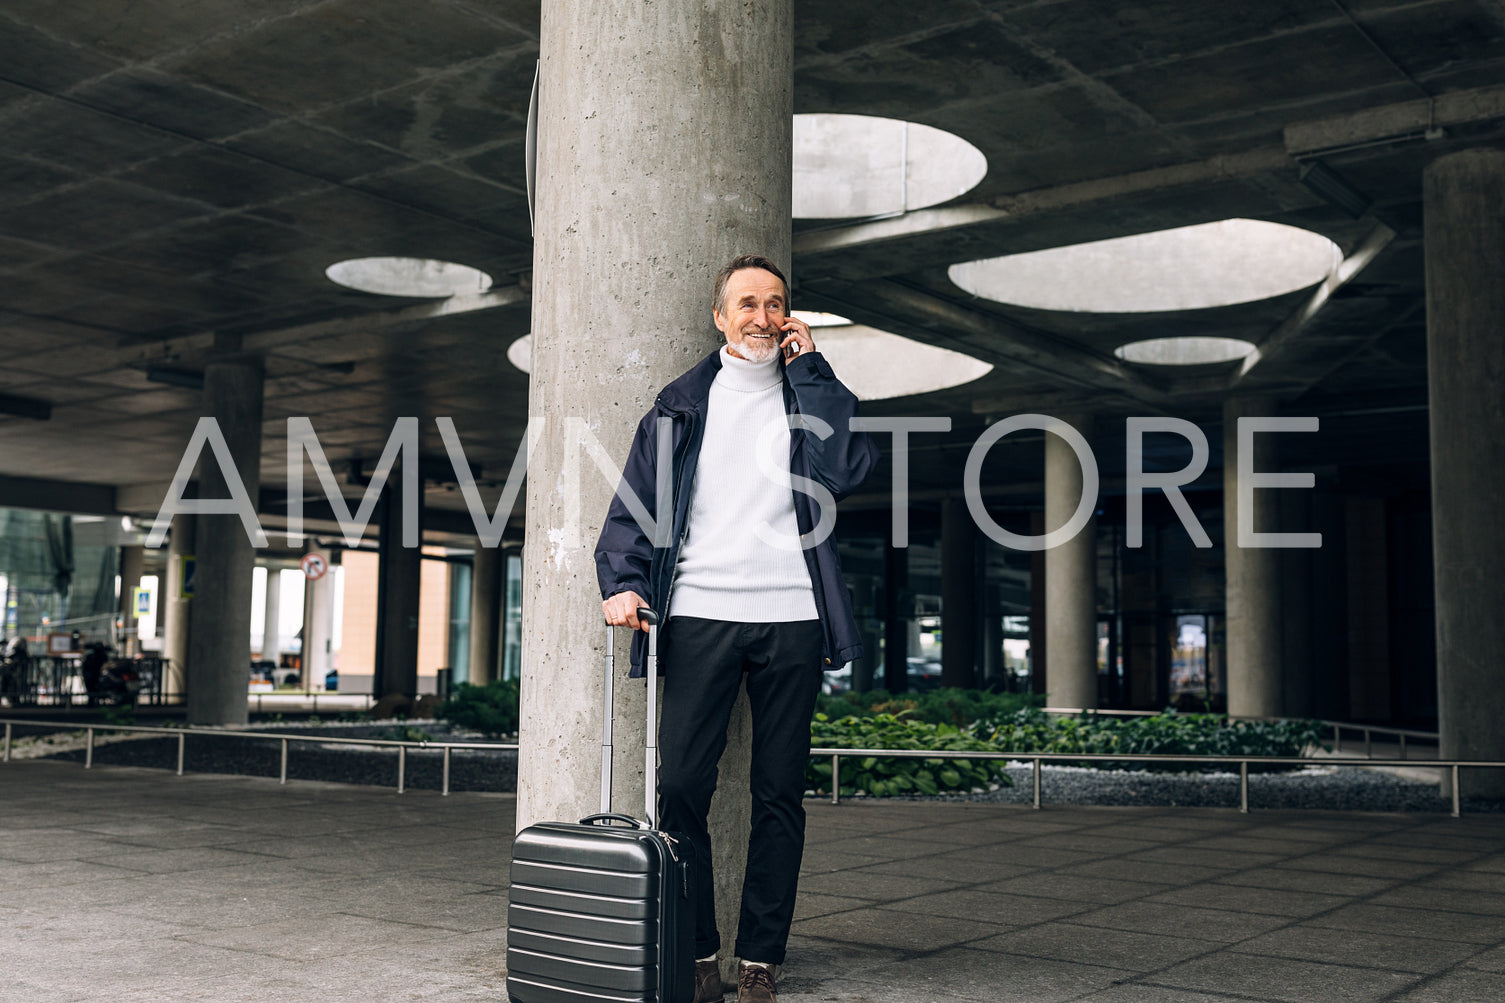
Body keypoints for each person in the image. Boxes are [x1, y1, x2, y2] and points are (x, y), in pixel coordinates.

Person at [595, 254, 877, 1003]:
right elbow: (632, 508)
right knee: (682, 785)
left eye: (774, 303)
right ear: (720, 316)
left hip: (791, 617)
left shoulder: (805, 392)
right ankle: (695, 954)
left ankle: (759, 958)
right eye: (746, 303)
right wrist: (622, 583)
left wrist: (811, 365)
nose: (761, 315)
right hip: (696, 616)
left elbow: (847, 466)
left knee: (778, 792)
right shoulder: (679, 407)